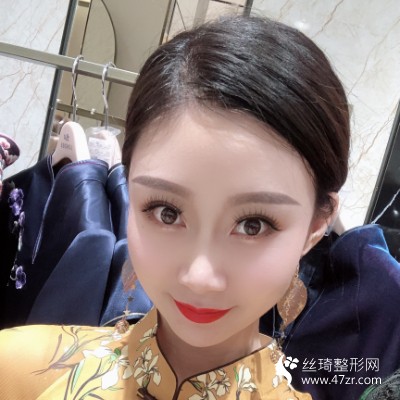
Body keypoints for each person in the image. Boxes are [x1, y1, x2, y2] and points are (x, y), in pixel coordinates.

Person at [0, 14, 350, 399]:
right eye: (167, 212)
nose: (199, 277)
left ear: (316, 225)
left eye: (254, 224)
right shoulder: (17, 372)